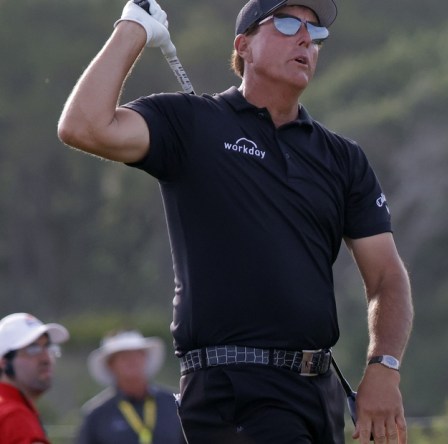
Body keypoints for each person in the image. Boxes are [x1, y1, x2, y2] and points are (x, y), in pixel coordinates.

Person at [57, 0, 414, 442]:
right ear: (243, 45)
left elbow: (386, 277)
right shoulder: (191, 123)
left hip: (318, 392)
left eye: (315, 31)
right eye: (286, 24)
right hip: (233, 386)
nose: (305, 38)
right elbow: (83, 126)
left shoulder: (342, 158)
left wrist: (385, 368)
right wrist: (132, 29)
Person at [76, 330, 186, 444]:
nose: (133, 361)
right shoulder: (97, 415)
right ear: (110, 365)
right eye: (124, 357)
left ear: (145, 358)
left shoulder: (174, 403)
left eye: (137, 355)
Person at [0, 313, 70, 444]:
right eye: (32, 349)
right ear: (4, 362)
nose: (46, 358)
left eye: (48, 347)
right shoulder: (14, 415)